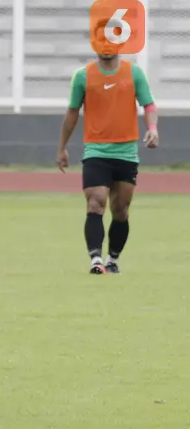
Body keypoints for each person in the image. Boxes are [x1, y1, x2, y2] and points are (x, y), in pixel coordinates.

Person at [56, 19, 159, 275]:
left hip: (126, 152)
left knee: (121, 210)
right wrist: (62, 148)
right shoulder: (83, 76)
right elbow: (72, 113)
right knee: (96, 202)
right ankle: (95, 260)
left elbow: (149, 105)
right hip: (96, 151)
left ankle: (113, 258)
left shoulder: (134, 73)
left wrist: (153, 128)